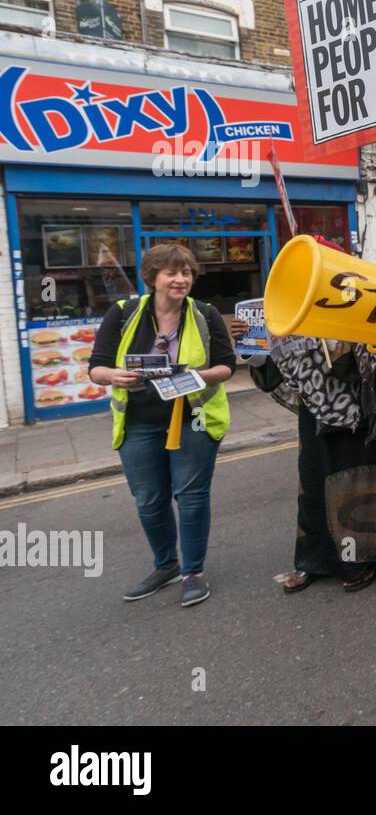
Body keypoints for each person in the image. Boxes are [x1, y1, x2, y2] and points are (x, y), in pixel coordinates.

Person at [88, 244, 235, 608]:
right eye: (171, 272)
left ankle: (193, 572)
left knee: (191, 497)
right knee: (149, 501)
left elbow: (226, 365)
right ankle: (166, 565)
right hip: (139, 421)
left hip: (193, 419)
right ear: (152, 277)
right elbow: (96, 367)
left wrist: (194, 376)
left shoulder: (205, 314)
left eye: (186, 272)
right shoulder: (122, 313)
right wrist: (113, 376)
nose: (181, 279)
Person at [249, 328, 376, 593]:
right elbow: (279, 372)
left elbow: (364, 361)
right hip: (315, 410)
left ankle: (361, 559)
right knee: (312, 484)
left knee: (357, 485)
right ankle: (313, 560)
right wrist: (253, 347)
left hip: (360, 407)